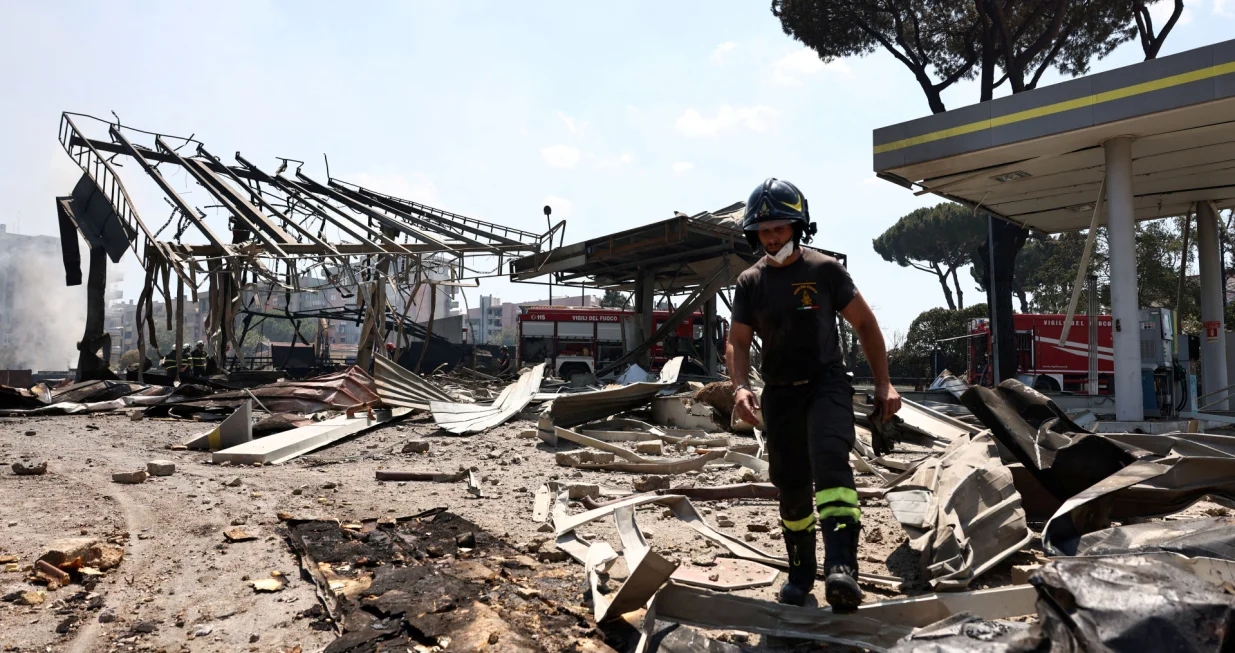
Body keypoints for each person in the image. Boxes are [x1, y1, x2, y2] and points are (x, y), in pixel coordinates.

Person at [726, 178, 901, 611]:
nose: (772, 237)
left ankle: (843, 569)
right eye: (764, 230)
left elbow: (865, 325)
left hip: (827, 386)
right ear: (754, 234)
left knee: (830, 466)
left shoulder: (825, 271)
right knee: (791, 487)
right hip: (779, 395)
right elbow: (738, 341)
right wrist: (741, 387)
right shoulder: (749, 282)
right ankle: (801, 573)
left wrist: (884, 383)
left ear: (798, 227)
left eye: (780, 228)